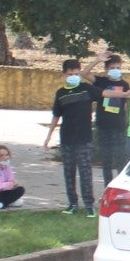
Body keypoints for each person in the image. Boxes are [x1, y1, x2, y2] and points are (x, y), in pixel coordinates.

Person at [45, 59, 97, 215]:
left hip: (84, 139)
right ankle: (72, 203)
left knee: (85, 172)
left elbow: (105, 93)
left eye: (76, 73)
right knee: (69, 172)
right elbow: (56, 116)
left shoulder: (86, 89)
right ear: (64, 74)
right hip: (67, 138)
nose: (73, 76)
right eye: (70, 74)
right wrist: (48, 137)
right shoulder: (60, 93)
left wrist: (124, 94)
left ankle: (89, 205)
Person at [91, 54, 130, 184]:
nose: (115, 69)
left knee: (121, 160)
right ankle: (107, 188)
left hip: (119, 126)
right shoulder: (101, 82)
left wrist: (127, 122)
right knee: (106, 161)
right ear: (106, 69)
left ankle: (120, 186)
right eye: (112, 67)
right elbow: (84, 73)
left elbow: (126, 106)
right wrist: (97, 60)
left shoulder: (125, 84)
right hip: (104, 126)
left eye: (118, 67)